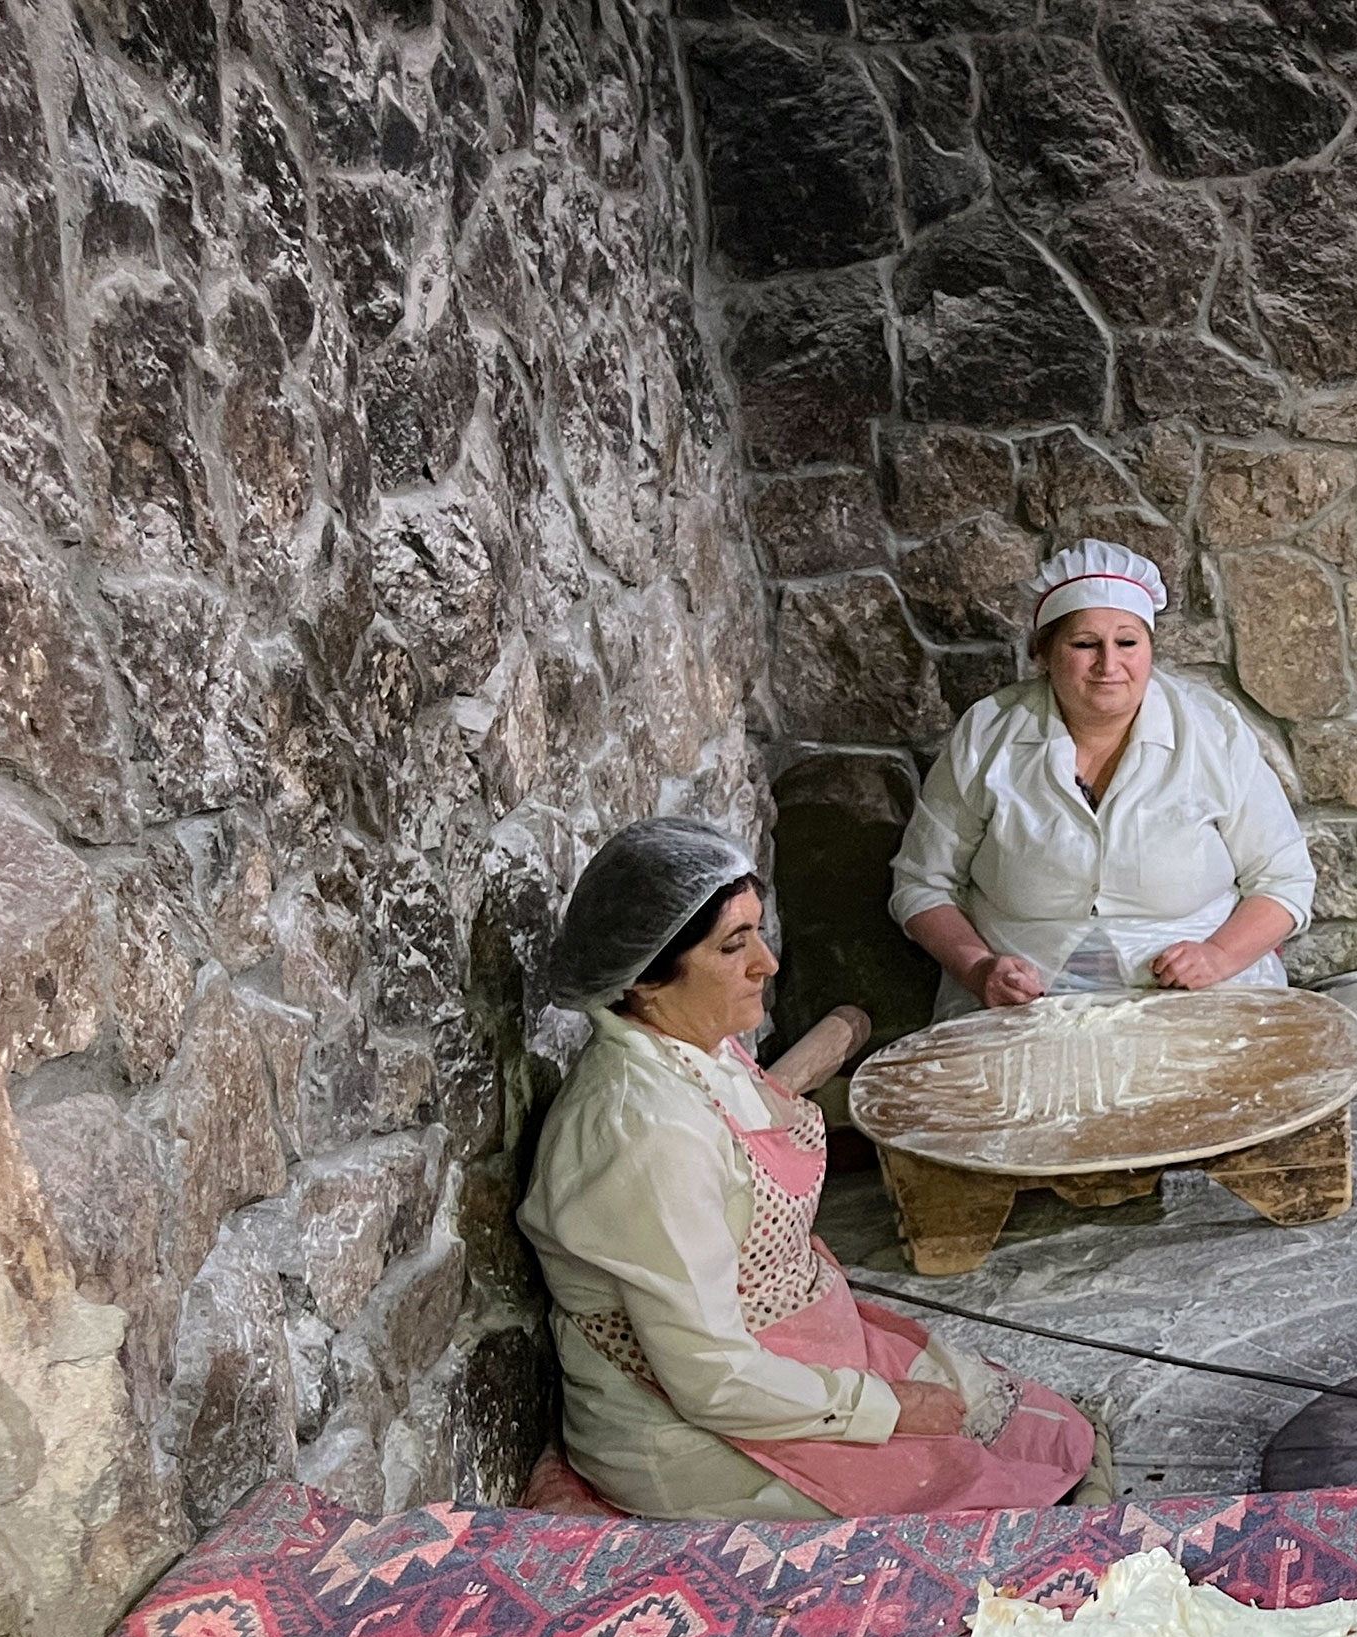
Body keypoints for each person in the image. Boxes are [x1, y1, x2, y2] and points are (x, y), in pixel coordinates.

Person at [518, 819, 1102, 1519]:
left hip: (779, 1348)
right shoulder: (643, 1131)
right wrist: (880, 1408)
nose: (766, 963)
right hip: (688, 1421)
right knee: (983, 1505)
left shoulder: (691, 1043)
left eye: (757, 934)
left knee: (1037, 1432)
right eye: (734, 947)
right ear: (645, 978)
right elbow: (711, 1379)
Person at [890, 538, 1317, 1018]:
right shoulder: (987, 735)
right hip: (1026, 1009)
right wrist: (978, 968)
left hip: (1200, 998)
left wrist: (1217, 956)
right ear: (1044, 653)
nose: (1109, 665)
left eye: (1127, 642)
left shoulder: (1213, 732)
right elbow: (921, 883)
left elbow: (1284, 879)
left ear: (1150, 649)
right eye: (1085, 643)